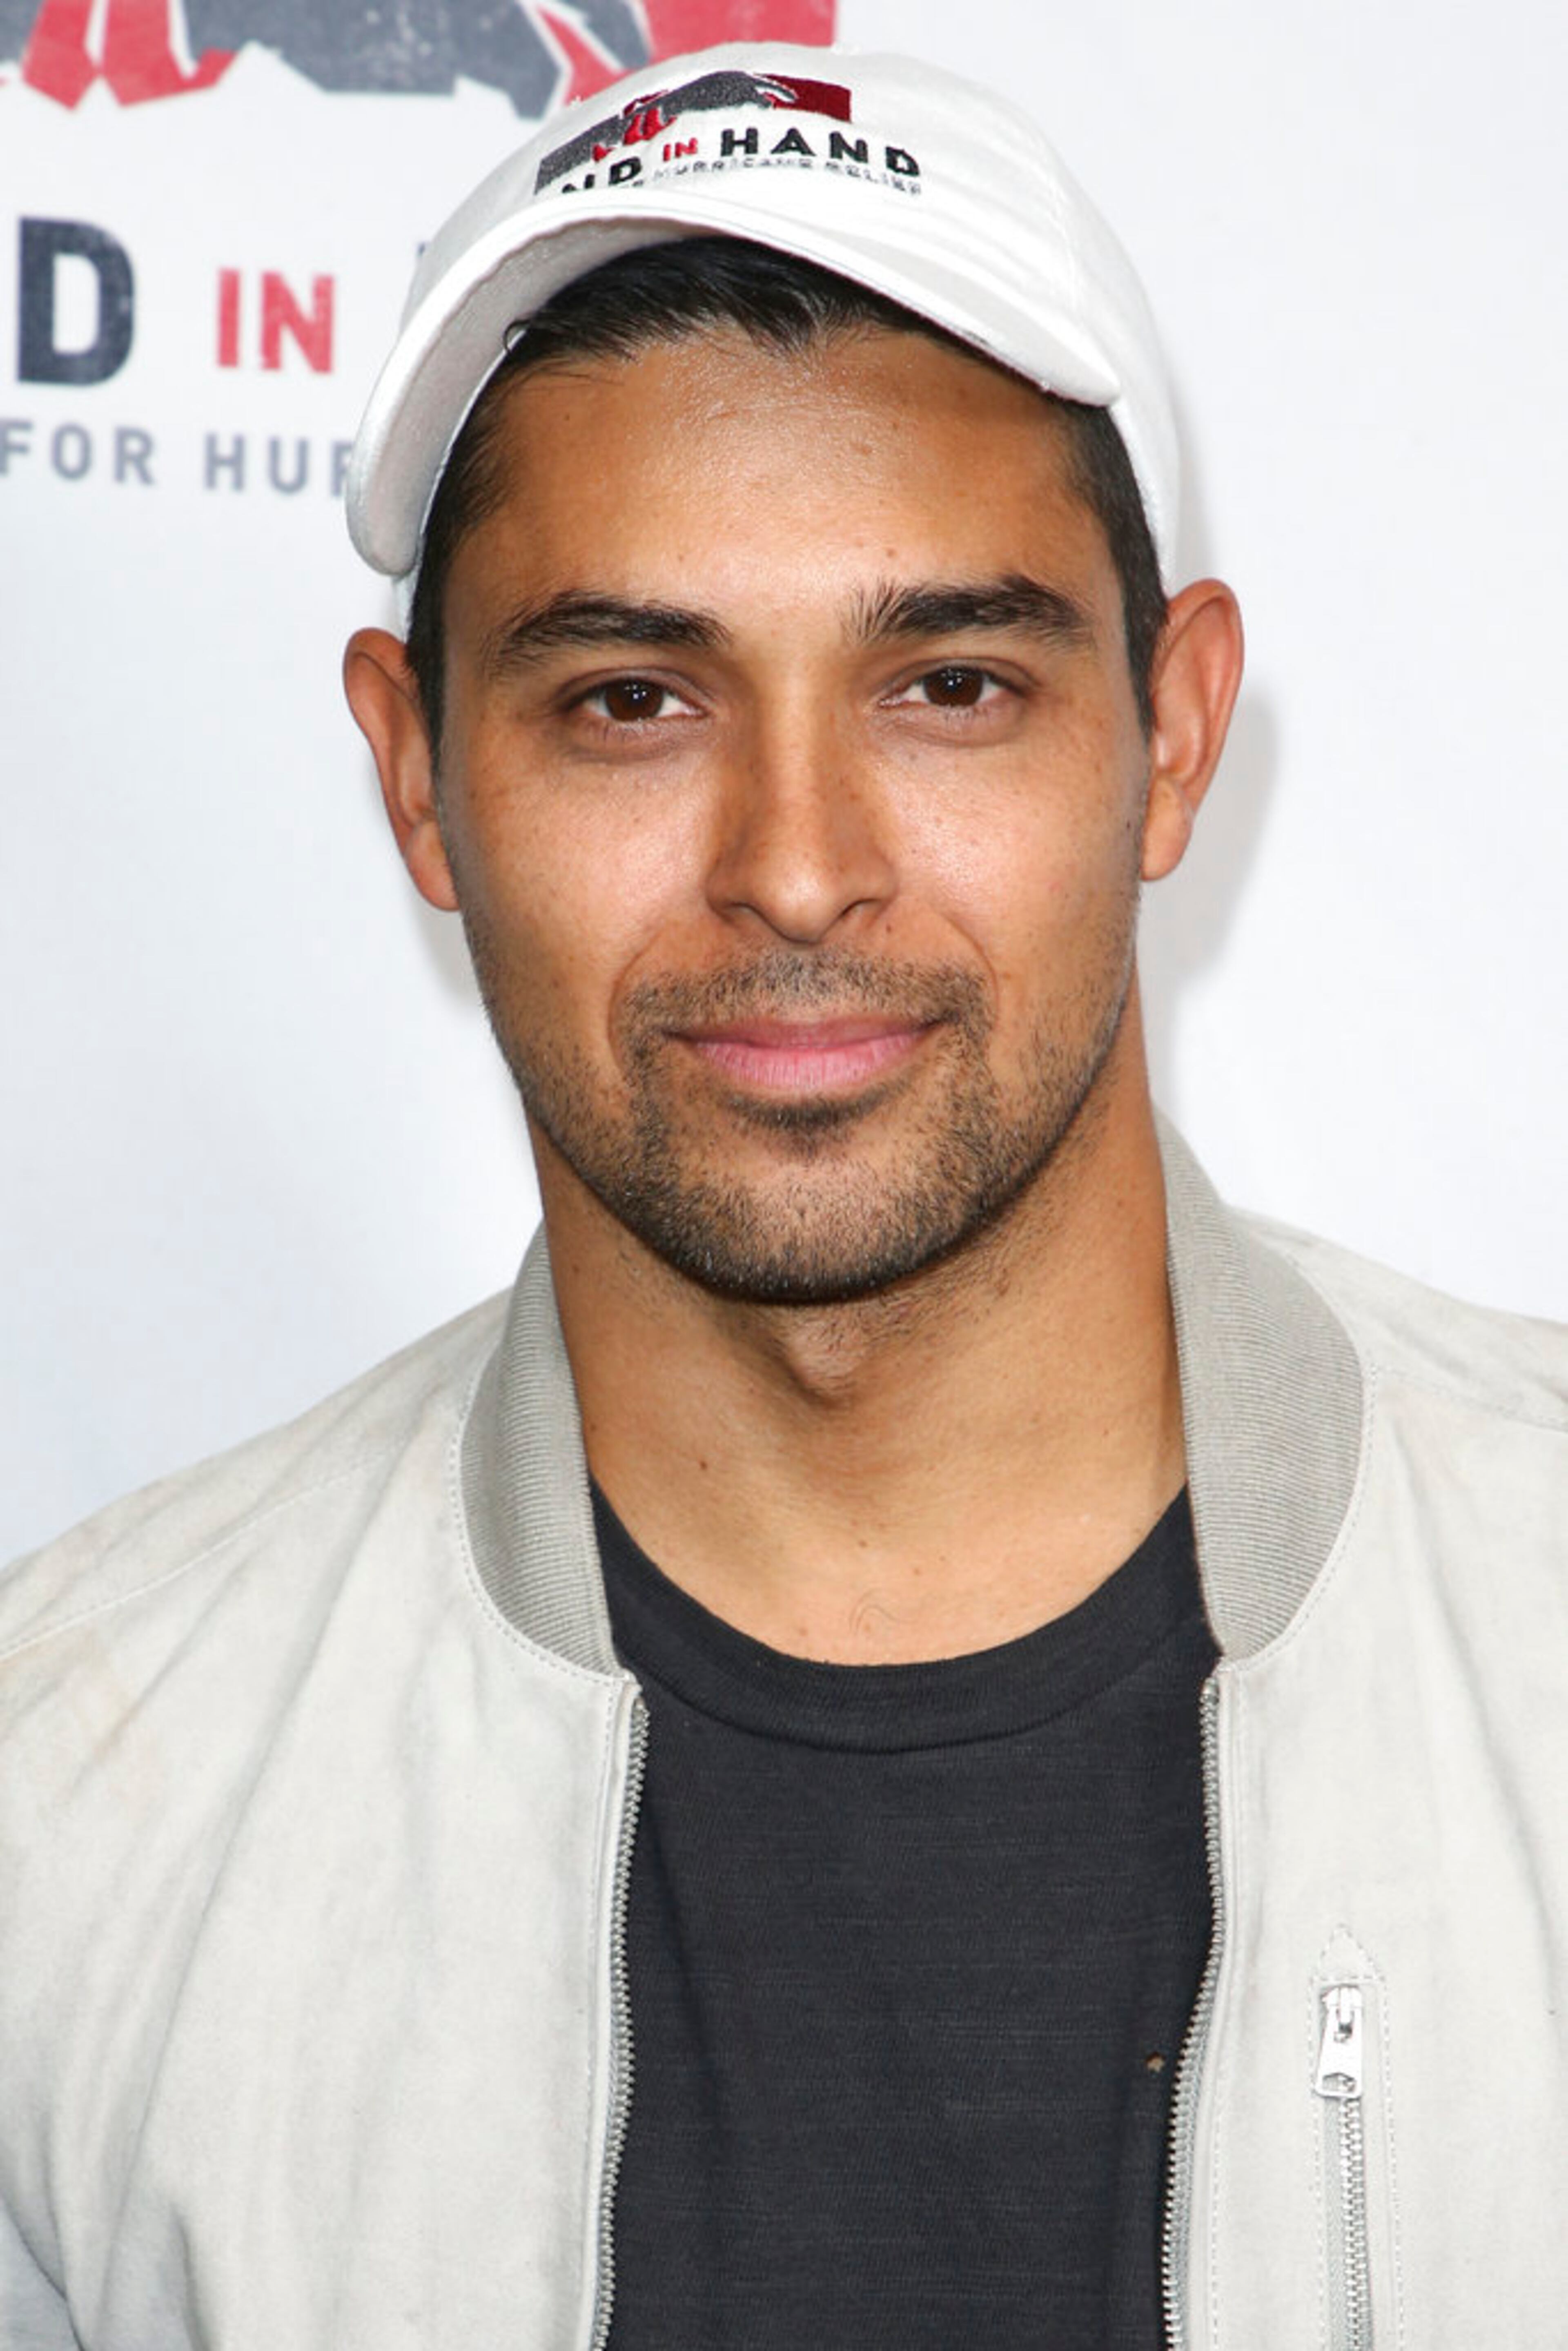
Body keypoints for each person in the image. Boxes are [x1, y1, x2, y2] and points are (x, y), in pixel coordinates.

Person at [4, 37, 1567, 2351]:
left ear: (1176, 733)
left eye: (948, 682)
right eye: (634, 699)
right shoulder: (67, 1813)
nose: (800, 870)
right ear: (417, 779)